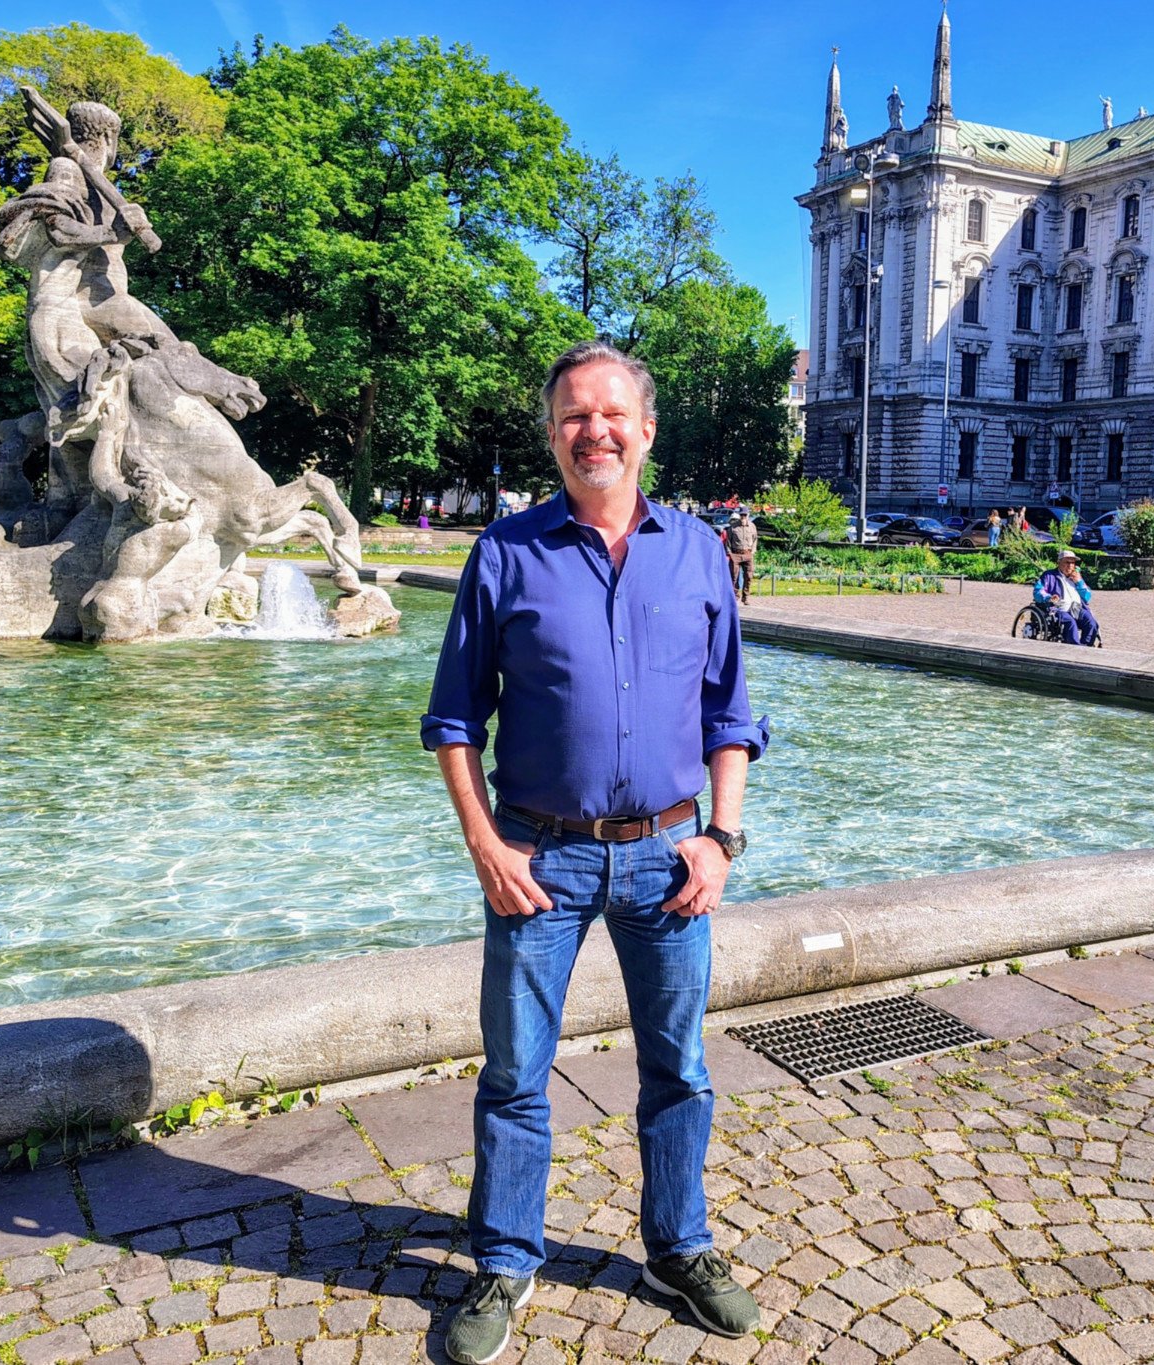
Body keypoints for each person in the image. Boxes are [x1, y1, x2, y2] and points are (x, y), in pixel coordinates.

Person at [421, 340, 768, 1365]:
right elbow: (451, 721)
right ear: (551, 433)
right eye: (573, 416)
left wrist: (721, 839)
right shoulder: (505, 553)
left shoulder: (699, 551)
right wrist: (483, 841)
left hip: (670, 857)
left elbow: (729, 713)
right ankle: (505, 1260)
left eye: (612, 413)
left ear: (646, 429)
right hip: (539, 860)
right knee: (515, 1075)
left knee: (678, 1070)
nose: (594, 432)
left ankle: (678, 1249)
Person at [1034, 548, 1102, 646]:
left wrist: (1079, 582)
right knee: (1070, 623)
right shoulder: (1049, 575)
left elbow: (1087, 597)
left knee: (1091, 623)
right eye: (1067, 562)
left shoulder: (1077, 577)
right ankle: (1075, 648)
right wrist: (1049, 597)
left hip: (1076, 608)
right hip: (1059, 609)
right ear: (1059, 562)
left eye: (1073, 563)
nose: (1070, 565)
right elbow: (1037, 591)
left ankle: (1086, 647)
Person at [725, 507, 759, 605]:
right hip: (736, 554)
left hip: (748, 554)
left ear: (748, 515)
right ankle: (735, 596)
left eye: (745, 515)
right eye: (741, 515)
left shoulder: (752, 526)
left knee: (748, 576)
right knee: (734, 576)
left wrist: (753, 551)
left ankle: (746, 597)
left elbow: (755, 539)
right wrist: (730, 553)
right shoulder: (733, 527)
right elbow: (728, 541)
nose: (743, 517)